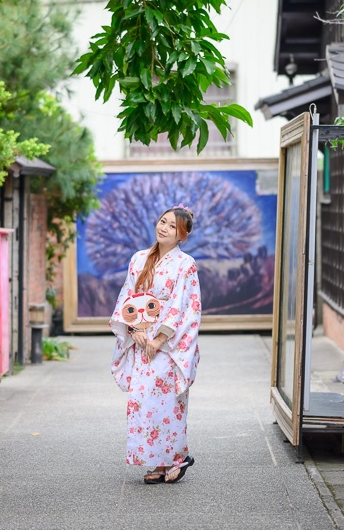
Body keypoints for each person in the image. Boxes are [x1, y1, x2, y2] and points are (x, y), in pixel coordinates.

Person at [110, 205, 201, 484]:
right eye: (163, 222)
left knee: (168, 402)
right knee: (143, 401)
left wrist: (161, 337)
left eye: (172, 226)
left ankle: (176, 458)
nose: (164, 228)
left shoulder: (186, 264)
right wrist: (134, 327)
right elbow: (129, 294)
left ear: (182, 235)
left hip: (169, 345)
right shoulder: (139, 259)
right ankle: (156, 461)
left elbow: (184, 306)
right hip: (141, 341)